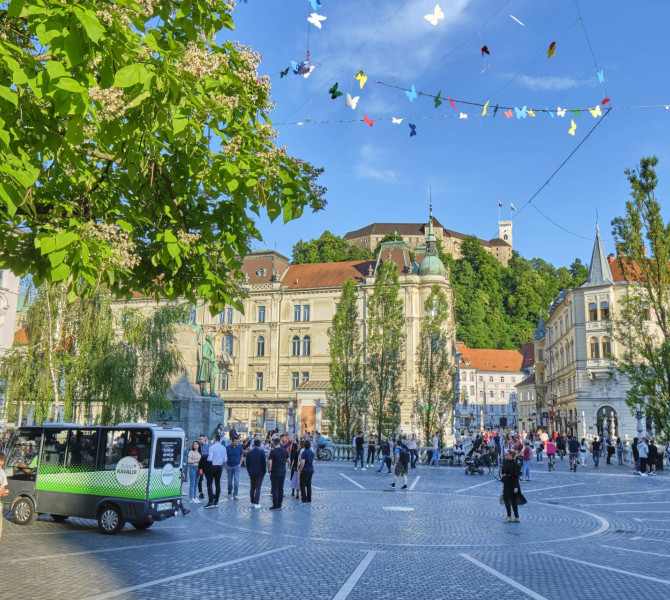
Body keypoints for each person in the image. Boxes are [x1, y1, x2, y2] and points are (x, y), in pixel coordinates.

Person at [204, 434, 226, 509]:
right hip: (219, 466)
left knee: (209, 483)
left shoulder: (212, 447)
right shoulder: (223, 447)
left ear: (214, 439)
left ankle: (210, 501)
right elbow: (225, 459)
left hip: (212, 466)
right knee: (217, 483)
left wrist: (205, 459)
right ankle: (216, 501)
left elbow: (210, 459)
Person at [267, 438, 289, 510]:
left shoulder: (273, 452)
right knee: (281, 488)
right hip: (283, 471)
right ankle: (279, 504)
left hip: (275, 471)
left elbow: (269, 462)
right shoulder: (284, 451)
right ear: (280, 443)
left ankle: (275, 505)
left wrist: (269, 470)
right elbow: (289, 460)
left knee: (275, 488)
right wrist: (287, 467)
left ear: (274, 444)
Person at [500, 450, 522, 523]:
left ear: (511, 456)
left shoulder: (515, 464)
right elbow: (503, 471)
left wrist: (516, 487)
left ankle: (516, 517)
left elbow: (516, 476)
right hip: (506, 483)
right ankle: (509, 516)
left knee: (513, 501)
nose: (506, 456)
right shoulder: (505, 462)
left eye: (507, 455)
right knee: (506, 500)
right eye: (506, 455)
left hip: (513, 483)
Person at [245, 439, 266, 508]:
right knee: (258, 488)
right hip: (260, 472)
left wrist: (249, 471)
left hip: (252, 472)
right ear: (259, 445)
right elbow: (264, 463)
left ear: (254, 444)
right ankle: (256, 502)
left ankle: (252, 502)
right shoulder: (261, 452)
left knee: (252, 487)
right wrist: (264, 471)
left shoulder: (249, 452)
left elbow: (247, 464)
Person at [225, 436, 244, 500]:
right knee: (229, 481)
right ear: (232, 441)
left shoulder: (239, 447)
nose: (236, 442)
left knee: (236, 481)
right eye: (235, 441)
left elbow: (242, 456)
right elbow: (225, 457)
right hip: (229, 466)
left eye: (237, 441)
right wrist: (226, 465)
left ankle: (235, 494)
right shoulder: (227, 448)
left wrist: (240, 464)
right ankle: (229, 493)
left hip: (236, 466)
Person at [197, 434, 210, 499]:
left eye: (201, 439)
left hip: (207, 465)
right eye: (199, 439)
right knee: (200, 479)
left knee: (208, 478)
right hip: (200, 466)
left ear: (205, 439)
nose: (200, 440)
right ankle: (200, 492)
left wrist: (203, 455)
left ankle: (210, 492)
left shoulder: (208, 446)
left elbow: (209, 455)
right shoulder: (198, 446)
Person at [0, 451, 9, 540]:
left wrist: (3, 492)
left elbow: (3, 486)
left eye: (2, 465)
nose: (1, 467)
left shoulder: (2, 472)